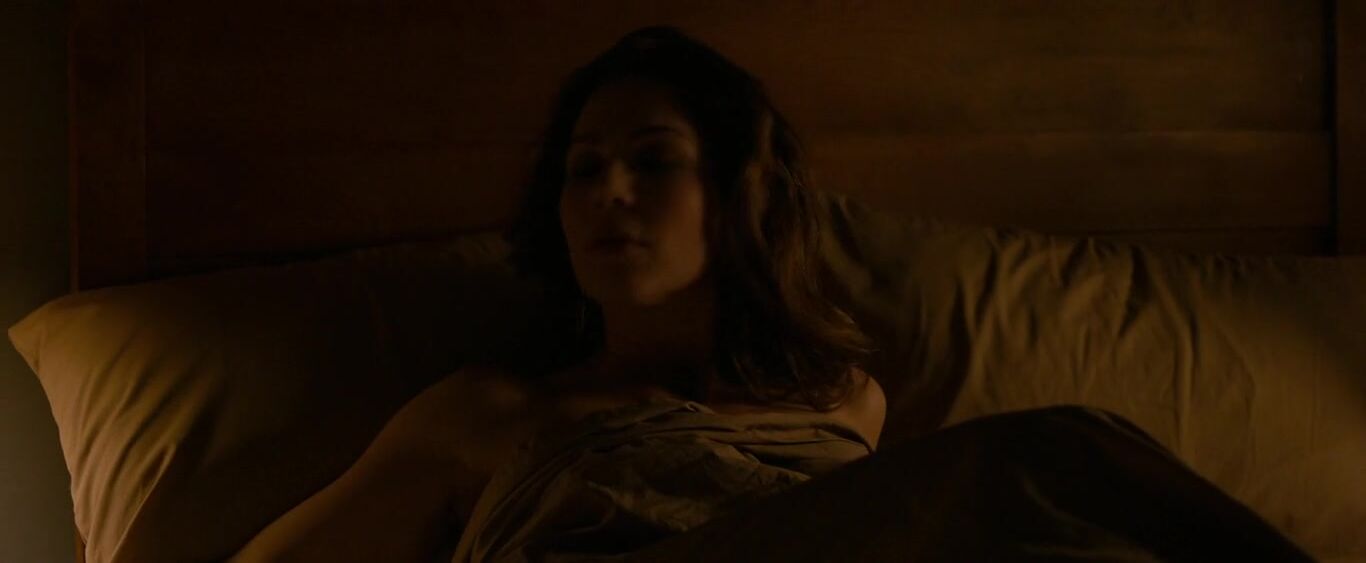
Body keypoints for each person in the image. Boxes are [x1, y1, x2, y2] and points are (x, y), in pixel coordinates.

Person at [230, 25, 886, 563]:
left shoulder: (841, 401)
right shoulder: (486, 418)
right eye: (585, 168)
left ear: (742, 193)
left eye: (653, 160)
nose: (611, 192)